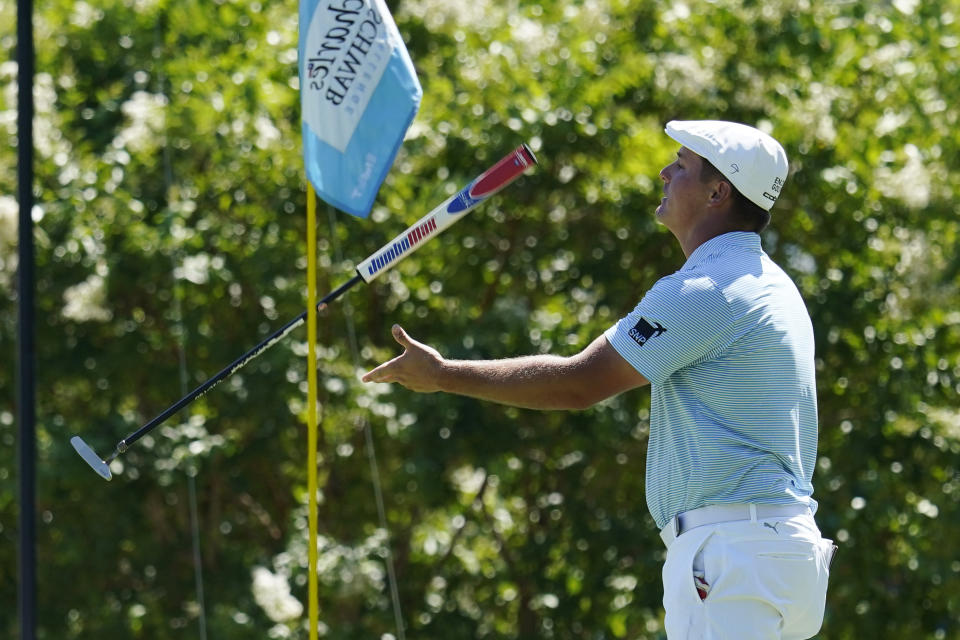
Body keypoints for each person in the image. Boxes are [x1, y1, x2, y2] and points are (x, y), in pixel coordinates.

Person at [362, 120, 835, 639]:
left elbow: (578, 382)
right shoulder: (773, 285)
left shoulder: (708, 287)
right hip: (782, 554)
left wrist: (443, 374)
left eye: (681, 166)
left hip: (731, 553)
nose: (664, 172)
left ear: (718, 191)